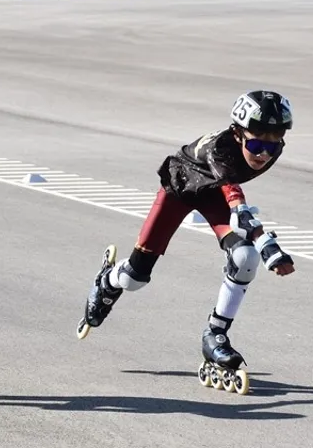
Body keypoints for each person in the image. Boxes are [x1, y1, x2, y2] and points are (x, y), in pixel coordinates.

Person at [77, 91, 297, 395]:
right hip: (180, 188)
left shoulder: (267, 149)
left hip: (213, 191)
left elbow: (235, 204)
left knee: (245, 258)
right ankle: (108, 280)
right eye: (257, 144)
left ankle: (215, 334)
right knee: (134, 278)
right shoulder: (222, 150)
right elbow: (238, 207)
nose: (264, 154)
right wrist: (268, 246)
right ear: (236, 133)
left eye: (274, 145)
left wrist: (260, 246)